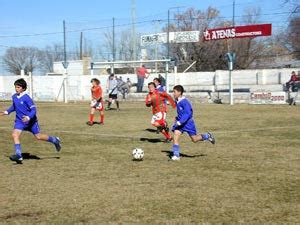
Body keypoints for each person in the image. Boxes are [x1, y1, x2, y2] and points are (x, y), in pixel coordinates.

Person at [0, 78, 61, 164]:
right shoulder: (14, 96)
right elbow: (14, 106)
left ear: (23, 88)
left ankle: (55, 140)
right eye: (15, 87)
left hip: (31, 122)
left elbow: (34, 110)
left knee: (38, 137)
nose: (16, 89)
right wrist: (6, 112)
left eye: (18, 87)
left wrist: (28, 117)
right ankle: (19, 155)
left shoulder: (27, 98)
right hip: (20, 121)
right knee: (15, 135)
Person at [170, 85, 215, 161]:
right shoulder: (177, 100)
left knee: (194, 139)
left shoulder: (185, 102)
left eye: (174, 92)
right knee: (176, 135)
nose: (173, 93)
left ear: (179, 92)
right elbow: (181, 112)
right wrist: (177, 118)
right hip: (181, 124)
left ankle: (207, 136)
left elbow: (187, 114)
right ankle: (176, 155)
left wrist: (179, 122)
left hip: (188, 123)